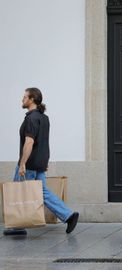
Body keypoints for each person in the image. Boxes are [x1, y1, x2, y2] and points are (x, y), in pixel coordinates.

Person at [4, 88, 79, 236]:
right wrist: (45, 162)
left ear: (31, 99)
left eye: (25, 97)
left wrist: (22, 163)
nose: (22, 99)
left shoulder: (31, 118)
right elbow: (44, 142)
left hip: (29, 164)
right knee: (42, 192)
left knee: (19, 193)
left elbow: (29, 142)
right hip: (40, 163)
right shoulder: (44, 118)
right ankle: (69, 215)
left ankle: (18, 226)